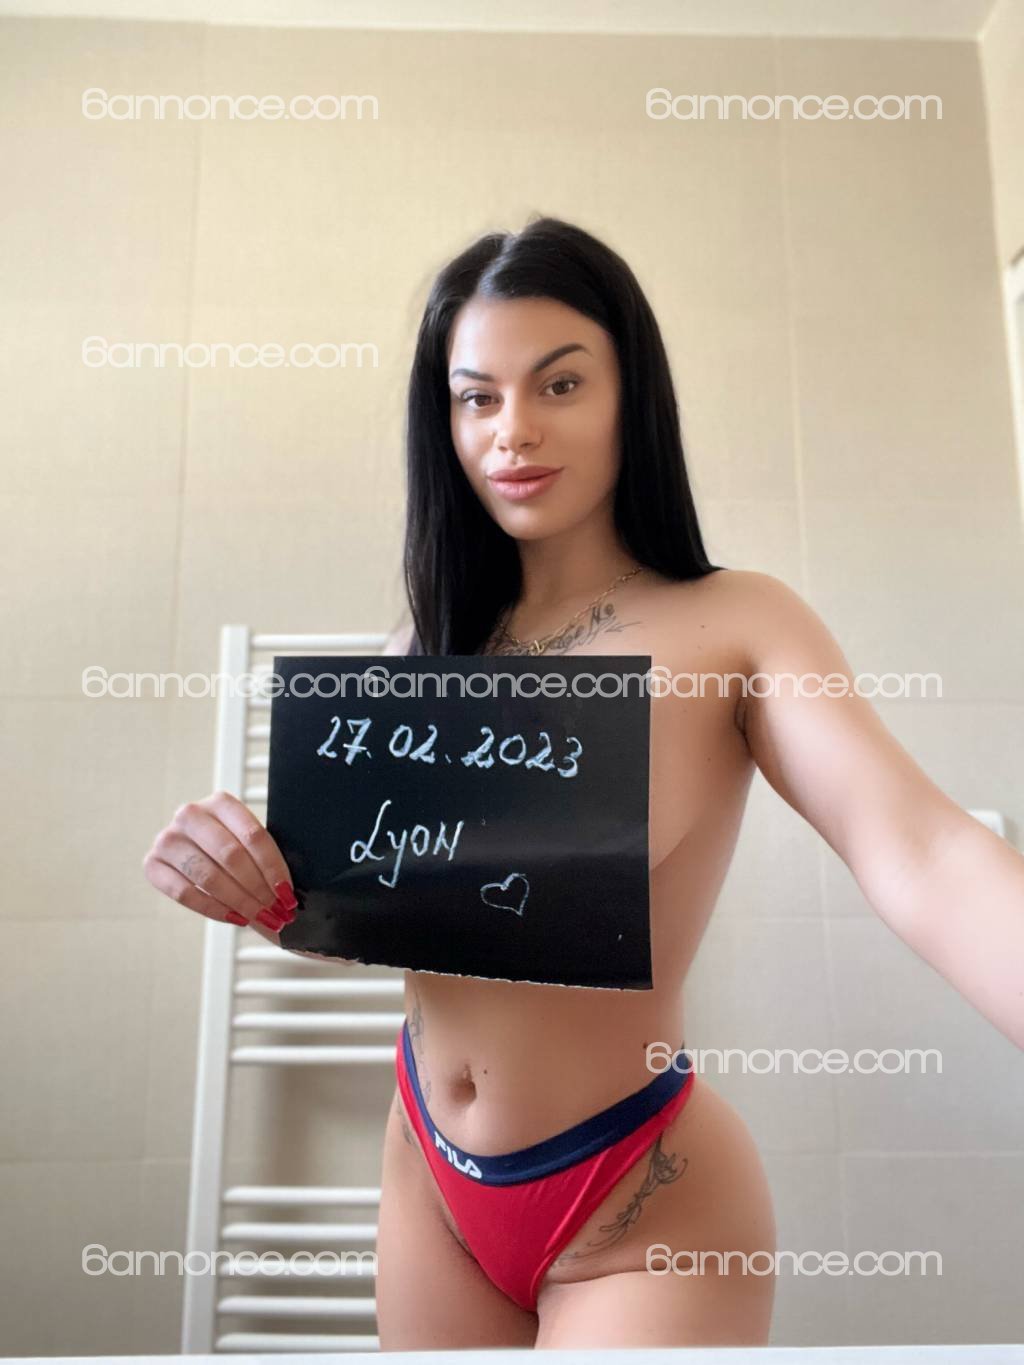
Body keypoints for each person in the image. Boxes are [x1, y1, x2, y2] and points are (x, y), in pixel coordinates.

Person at [142, 216, 1024, 1350]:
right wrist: (254, 885)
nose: (513, 430)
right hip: (426, 1176)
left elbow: (923, 851)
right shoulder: (424, 648)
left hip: (636, 1193)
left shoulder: (737, 623)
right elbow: (398, 911)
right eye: (477, 397)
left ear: (628, 394)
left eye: (559, 383)